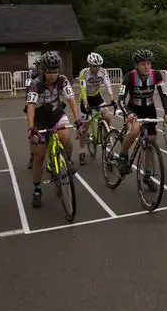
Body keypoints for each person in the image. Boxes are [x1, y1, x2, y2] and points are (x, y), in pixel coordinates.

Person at [25, 51, 81, 208]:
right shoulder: (36, 84)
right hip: (39, 119)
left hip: (56, 114)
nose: (53, 75)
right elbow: (30, 106)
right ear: (43, 70)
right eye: (49, 72)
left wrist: (77, 119)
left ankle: (67, 160)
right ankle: (37, 189)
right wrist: (31, 128)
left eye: (56, 71)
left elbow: (71, 100)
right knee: (39, 156)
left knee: (66, 137)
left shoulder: (62, 81)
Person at [116, 49, 167, 190]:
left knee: (150, 144)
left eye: (149, 63)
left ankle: (147, 175)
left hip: (150, 109)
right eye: (143, 64)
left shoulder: (156, 75)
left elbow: (164, 95)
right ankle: (122, 156)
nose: (147, 67)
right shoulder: (129, 76)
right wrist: (127, 113)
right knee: (134, 131)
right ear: (136, 65)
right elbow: (120, 99)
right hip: (134, 109)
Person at [77, 52, 117, 164]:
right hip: (86, 98)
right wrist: (85, 104)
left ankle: (106, 136)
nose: (97, 68)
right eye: (95, 66)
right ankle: (82, 151)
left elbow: (108, 86)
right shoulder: (84, 73)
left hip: (97, 96)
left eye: (99, 65)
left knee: (107, 116)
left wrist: (113, 99)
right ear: (89, 65)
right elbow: (83, 90)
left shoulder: (103, 72)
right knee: (84, 127)